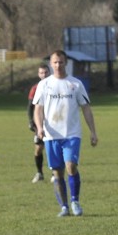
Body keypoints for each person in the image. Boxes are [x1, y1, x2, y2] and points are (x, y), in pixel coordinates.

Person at [33, 50, 98, 217]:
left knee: (71, 165)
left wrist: (93, 132)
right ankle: (64, 207)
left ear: (66, 63)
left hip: (72, 134)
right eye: (55, 62)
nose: (58, 65)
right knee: (57, 172)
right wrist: (39, 127)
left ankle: (75, 200)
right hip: (51, 135)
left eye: (61, 62)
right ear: (51, 64)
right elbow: (38, 109)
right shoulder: (44, 84)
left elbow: (86, 108)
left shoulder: (76, 84)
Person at [27, 64, 49, 183]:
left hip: (53, 123)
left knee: (53, 148)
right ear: (38, 74)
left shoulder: (55, 86)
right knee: (38, 148)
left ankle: (55, 173)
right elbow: (30, 107)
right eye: (41, 73)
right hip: (40, 123)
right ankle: (39, 173)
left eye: (45, 72)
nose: (44, 75)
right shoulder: (35, 88)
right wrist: (31, 121)